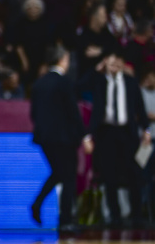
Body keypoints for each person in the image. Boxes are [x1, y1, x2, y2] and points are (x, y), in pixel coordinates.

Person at [85, 53, 151, 228]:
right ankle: (115, 216)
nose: (113, 66)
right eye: (110, 63)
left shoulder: (131, 82)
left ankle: (136, 215)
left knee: (134, 175)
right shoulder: (99, 81)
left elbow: (140, 108)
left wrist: (146, 129)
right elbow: (80, 86)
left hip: (127, 133)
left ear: (122, 63)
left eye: (116, 63)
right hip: (106, 133)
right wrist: (97, 69)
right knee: (109, 175)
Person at [29, 46, 87, 229]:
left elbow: (34, 114)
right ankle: (65, 220)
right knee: (68, 177)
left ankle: (38, 204)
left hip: (45, 138)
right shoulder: (65, 83)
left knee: (59, 173)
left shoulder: (39, 83)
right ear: (62, 60)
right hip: (64, 139)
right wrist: (84, 136)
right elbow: (73, 112)